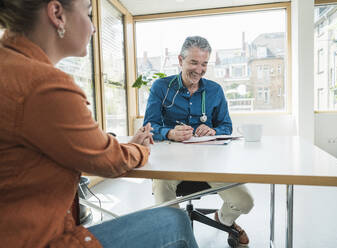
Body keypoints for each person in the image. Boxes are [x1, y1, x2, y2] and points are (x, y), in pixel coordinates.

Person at [0, 1, 198, 248]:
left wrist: (119, 146)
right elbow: (109, 161)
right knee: (175, 221)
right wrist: (143, 149)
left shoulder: (10, 68)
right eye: (88, 13)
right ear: (57, 14)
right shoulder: (43, 84)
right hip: (33, 240)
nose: (94, 28)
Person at [143, 36, 254, 246]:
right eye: (194, 62)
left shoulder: (215, 90)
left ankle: (223, 219)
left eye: (204, 64)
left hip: (210, 163)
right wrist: (169, 133)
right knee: (163, 195)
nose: (199, 69)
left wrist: (213, 130)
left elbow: (226, 126)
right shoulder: (161, 87)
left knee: (245, 201)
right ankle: (179, 236)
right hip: (170, 163)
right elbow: (149, 126)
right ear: (180, 60)